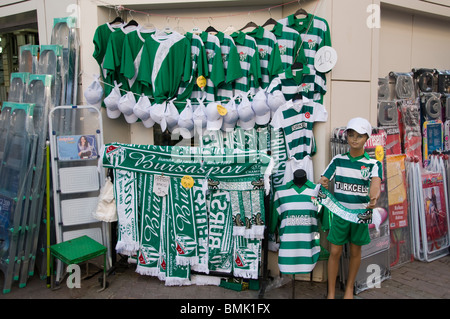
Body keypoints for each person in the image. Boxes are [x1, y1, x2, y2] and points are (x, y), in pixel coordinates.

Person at [318, 117, 382, 299]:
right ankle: (330, 293)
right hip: (340, 213)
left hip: (360, 215)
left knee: (355, 251)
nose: (354, 139)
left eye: (359, 136)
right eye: (351, 135)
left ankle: (348, 290)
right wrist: (322, 181)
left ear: (366, 138)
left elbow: (375, 183)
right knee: (335, 251)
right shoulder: (338, 160)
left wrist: (374, 195)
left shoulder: (373, 164)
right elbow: (325, 177)